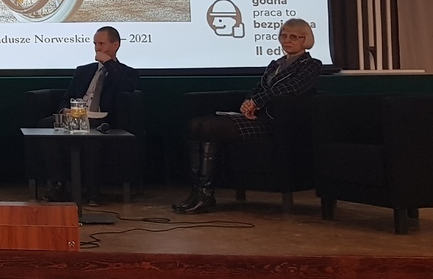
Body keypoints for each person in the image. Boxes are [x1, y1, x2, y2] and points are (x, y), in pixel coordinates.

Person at [174, 18, 322, 214]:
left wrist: (257, 102)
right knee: (196, 125)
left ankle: (206, 194)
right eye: (283, 35)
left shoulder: (311, 64)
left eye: (293, 37)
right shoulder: (275, 64)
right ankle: (198, 192)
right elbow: (259, 87)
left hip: (277, 122)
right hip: (258, 118)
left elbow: (290, 88)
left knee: (210, 127)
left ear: (306, 39)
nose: (287, 40)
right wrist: (248, 102)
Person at [38, 26, 140, 205]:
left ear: (115, 45)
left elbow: (126, 87)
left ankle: (93, 191)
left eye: (102, 44)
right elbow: (66, 98)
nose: (97, 48)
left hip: (102, 120)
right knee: (45, 126)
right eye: (95, 44)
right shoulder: (83, 71)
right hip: (76, 115)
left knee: (91, 134)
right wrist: (64, 110)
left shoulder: (126, 72)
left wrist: (109, 64)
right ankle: (58, 184)